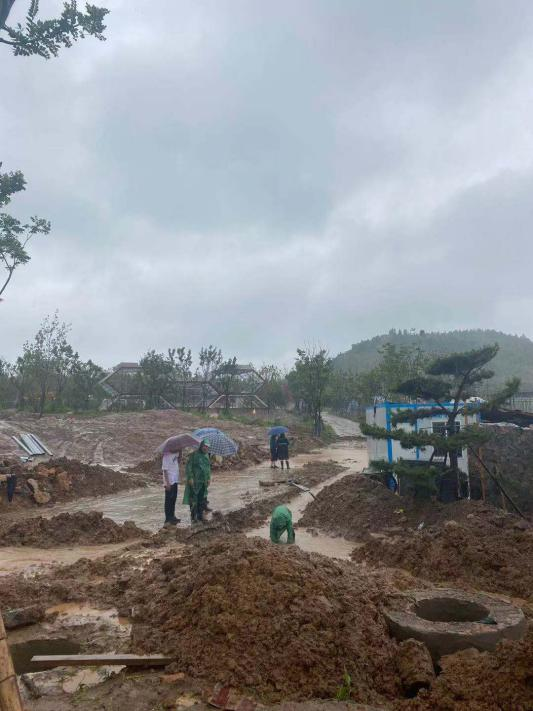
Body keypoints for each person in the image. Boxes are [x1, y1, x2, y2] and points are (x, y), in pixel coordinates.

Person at [183, 439, 211, 523]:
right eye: (204, 446)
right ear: (201, 445)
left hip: (203, 482)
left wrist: (209, 478)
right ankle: (193, 517)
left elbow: (208, 468)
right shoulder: (194, 455)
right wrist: (190, 477)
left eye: (207, 447)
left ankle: (200, 516)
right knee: (193, 499)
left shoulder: (206, 456)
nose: (205, 448)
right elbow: (188, 467)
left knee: (201, 499)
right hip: (194, 482)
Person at [162, 450, 181, 526]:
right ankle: (167, 519)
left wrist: (181, 451)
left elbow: (178, 461)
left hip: (175, 479)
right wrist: (167, 483)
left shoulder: (176, 452)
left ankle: (172, 516)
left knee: (173, 499)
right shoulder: (166, 455)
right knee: (168, 500)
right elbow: (165, 470)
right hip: (169, 481)